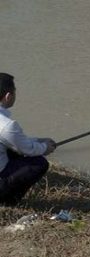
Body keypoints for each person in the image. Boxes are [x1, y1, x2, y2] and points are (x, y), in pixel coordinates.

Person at [0, 73, 56, 206]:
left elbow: (14, 140)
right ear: (8, 96)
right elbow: (28, 149)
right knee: (39, 163)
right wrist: (45, 147)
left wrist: (38, 140)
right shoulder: (6, 125)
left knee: (13, 151)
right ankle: (8, 201)